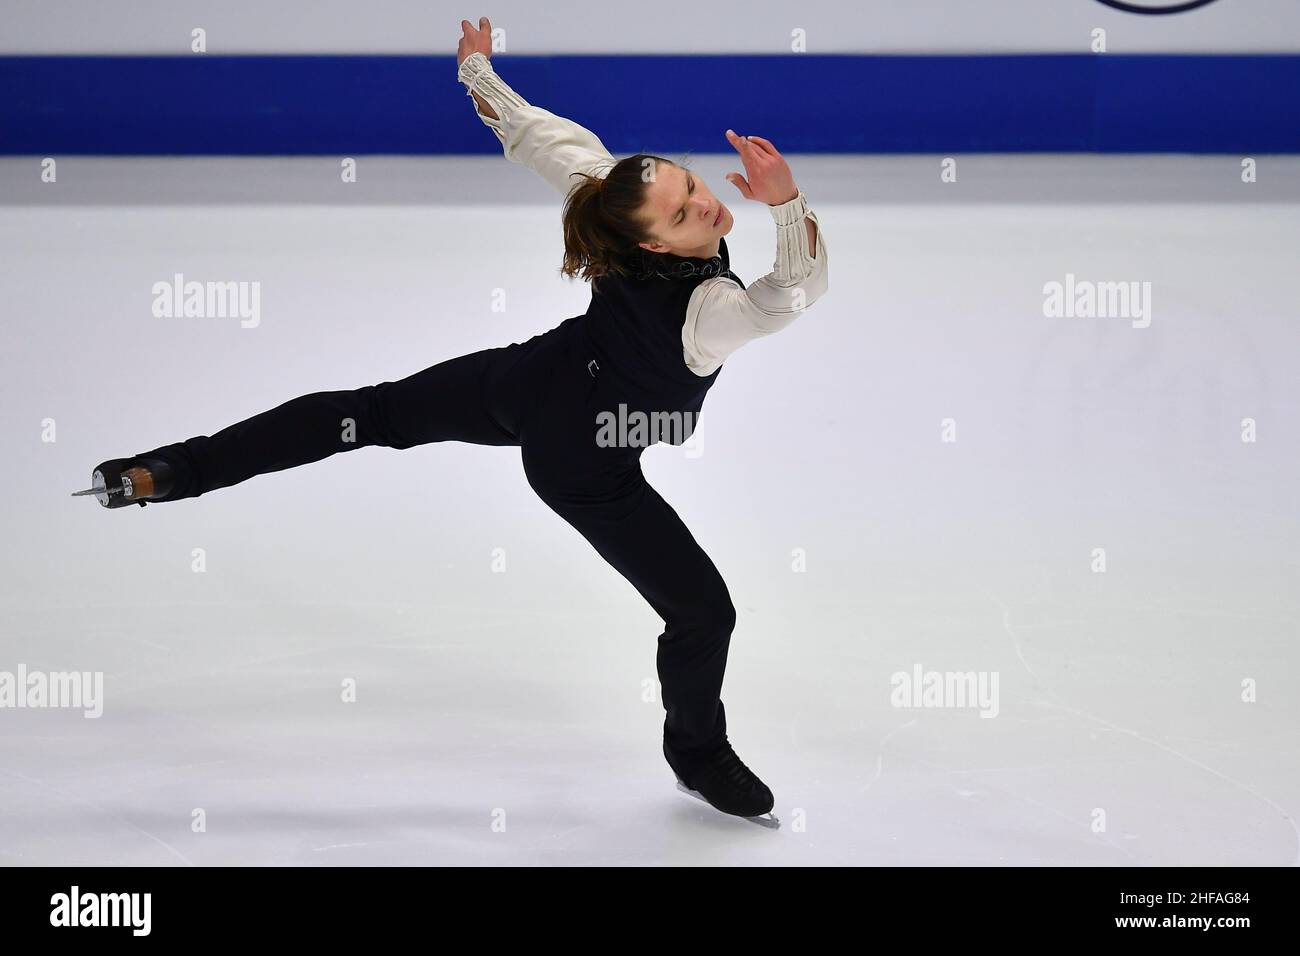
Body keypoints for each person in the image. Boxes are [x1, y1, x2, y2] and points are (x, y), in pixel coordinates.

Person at [74, 17, 829, 823]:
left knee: (373, 414)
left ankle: (174, 471)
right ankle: (699, 752)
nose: (707, 209)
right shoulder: (710, 310)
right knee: (704, 611)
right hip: (585, 461)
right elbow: (791, 295)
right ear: (643, 237)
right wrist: (786, 206)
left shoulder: (612, 197)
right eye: (683, 212)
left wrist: (476, 70)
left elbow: (540, 138)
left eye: (694, 190)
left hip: (542, 378)